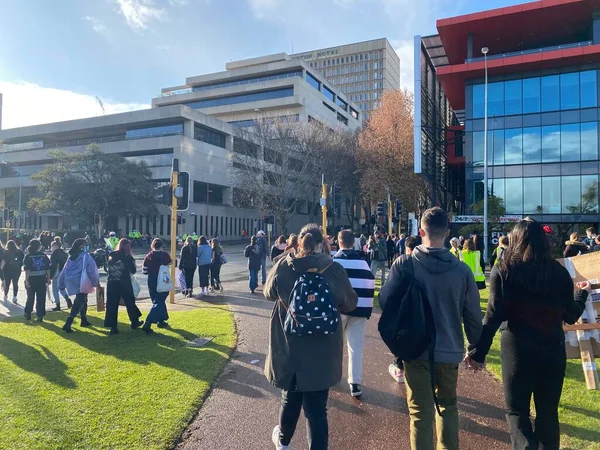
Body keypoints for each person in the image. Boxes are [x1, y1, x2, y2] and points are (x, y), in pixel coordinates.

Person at [466, 218, 589, 450]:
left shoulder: (505, 271)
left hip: (517, 348)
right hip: (552, 348)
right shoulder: (559, 273)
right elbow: (571, 316)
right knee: (548, 412)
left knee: (517, 412)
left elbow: (493, 316)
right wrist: (581, 295)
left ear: (514, 240)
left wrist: (477, 353)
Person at [379, 208, 482, 450]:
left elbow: (385, 300)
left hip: (416, 349)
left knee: (420, 412)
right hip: (450, 348)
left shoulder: (404, 264)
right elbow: (473, 315)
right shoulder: (461, 271)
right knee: (448, 405)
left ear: (421, 231)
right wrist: (476, 349)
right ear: (446, 233)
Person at [264, 224, 357, 450]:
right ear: (322, 244)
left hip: (289, 348)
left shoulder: (283, 267)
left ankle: (284, 442)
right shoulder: (333, 269)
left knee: (290, 398)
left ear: (298, 243)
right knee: (317, 411)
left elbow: (268, 293)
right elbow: (350, 302)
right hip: (322, 351)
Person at [334, 229, 375, 398]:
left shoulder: (334, 262)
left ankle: (331, 377)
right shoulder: (363, 262)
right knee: (355, 347)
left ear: (339, 241)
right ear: (353, 243)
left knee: (335, 345)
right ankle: (355, 383)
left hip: (339, 310)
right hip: (360, 309)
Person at [388, 234, 421, 384]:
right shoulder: (426, 262)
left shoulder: (402, 263)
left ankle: (400, 368)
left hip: (404, 307)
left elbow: (390, 290)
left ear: (408, 249)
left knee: (401, 338)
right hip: (423, 308)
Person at [104, 238, 144, 335]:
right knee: (130, 302)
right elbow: (133, 270)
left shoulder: (111, 256)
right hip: (124, 283)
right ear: (127, 247)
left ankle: (113, 327)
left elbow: (108, 268)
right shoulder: (127, 257)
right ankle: (134, 322)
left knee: (112, 305)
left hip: (112, 283)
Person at [59, 238, 100, 332]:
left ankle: (84, 319)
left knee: (83, 299)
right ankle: (68, 322)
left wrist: (61, 284)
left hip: (72, 281)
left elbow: (64, 270)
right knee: (80, 300)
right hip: (83, 281)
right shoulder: (85, 256)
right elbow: (92, 271)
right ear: (81, 246)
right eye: (85, 244)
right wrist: (96, 282)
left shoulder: (71, 257)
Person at [142, 238, 172, 333]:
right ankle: (148, 322)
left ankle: (161, 320)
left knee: (156, 300)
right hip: (163, 279)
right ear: (161, 246)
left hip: (152, 279)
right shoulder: (165, 255)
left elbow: (144, 271)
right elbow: (171, 262)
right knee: (159, 301)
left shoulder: (148, 256)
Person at [23, 239, 51, 322]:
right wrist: (48, 278)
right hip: (42, 279)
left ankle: (28, 312)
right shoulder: (44, 256)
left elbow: (27, 269)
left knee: (30, 297)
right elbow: (48, 268)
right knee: (41, 298)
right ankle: (40, 315)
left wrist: (26, 280)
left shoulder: (28, 256)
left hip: (31, 279)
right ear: (39, 246)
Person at [1, 240, 25, 304]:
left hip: (7, 271)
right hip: (17, 270)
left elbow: (3, 262)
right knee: (15, 283)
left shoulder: (6, 252)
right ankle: (15, 297)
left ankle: (5, 296)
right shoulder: (19, 251)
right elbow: (22, 260)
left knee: (7, 283)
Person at [49, 240, 70, 311]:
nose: (51, 248)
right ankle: (67, 299)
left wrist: (50, 276)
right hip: (64, 273)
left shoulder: (54, 254)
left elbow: (53, 266)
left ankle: (58, 305)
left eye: (52, 246)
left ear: (55, 246)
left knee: (55, 290)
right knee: (62, 288)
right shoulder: (64, 253)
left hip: (56, 273)